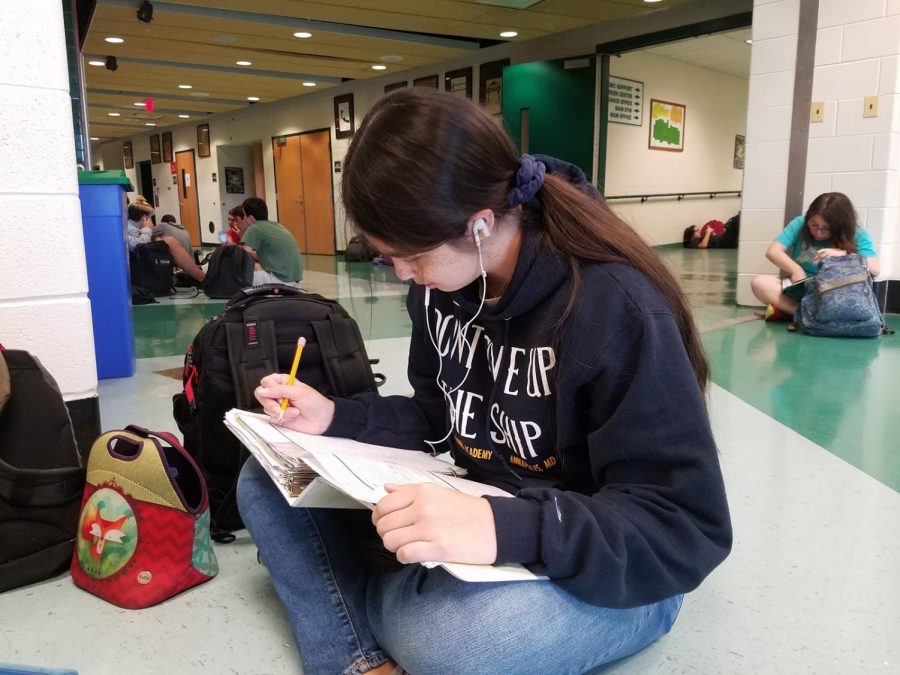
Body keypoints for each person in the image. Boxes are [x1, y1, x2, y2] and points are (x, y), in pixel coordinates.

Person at [237, 88, 732, 675]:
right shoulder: (442, 287)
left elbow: (680, 524)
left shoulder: (614, 305)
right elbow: (440, 419)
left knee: (459, 643)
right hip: (476, 510)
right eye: (386, 256)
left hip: (603, 565)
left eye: (410, 256)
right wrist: (333, 417)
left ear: (478, 224)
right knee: (264, 476)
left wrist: (502, 526)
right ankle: (364, 657)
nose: (402, 274)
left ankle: (352, 603)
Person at [750, 193, 879, 320]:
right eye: (814, 225)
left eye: (826, 228)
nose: (818, 231)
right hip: (802, 287)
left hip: (834, 292)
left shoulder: (858, 234)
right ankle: (807, 315)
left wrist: (843, 254)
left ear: (840, 227)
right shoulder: (800, 223)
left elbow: (875, 268)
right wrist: (796, 270)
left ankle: (799, 314)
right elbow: (773, 251)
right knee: (759, 283)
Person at [126, 197, 205, 283]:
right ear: (145, 218)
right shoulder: (129, 227)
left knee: (162, 241)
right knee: (170, 242)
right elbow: (137, 245)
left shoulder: (128, 226)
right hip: (136, 264)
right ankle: (202, 278)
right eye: (150, 218)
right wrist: (147, 228)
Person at [230, 197, 302, 286]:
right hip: (295, 283)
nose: (243, 218)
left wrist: (229, 250)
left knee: (236, 274)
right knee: (256, 269)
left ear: (250, 218)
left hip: (279, 281)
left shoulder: (255, 227)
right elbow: (267, 254)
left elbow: (242, 255)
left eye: (244, 215)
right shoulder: (277, 226)